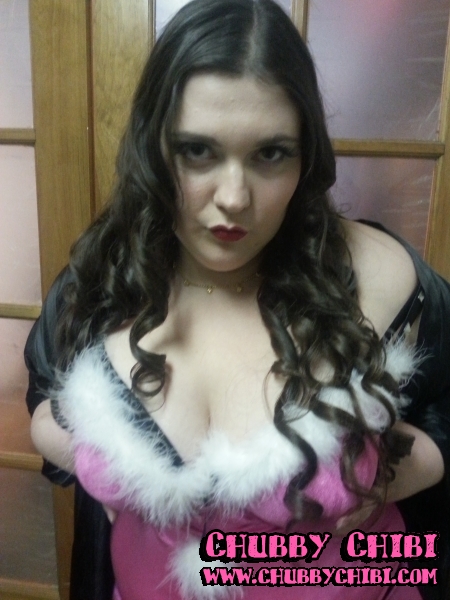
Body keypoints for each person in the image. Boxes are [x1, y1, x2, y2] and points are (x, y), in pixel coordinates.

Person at [25, 0, 450, 599]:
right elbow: (46, 400)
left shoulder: (383, 279)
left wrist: (384, 481)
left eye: (269, 154)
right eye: (197, 150)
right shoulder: (104, 278)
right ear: (153, 145)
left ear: (305, 156)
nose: (233, 197)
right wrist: (118, 479)